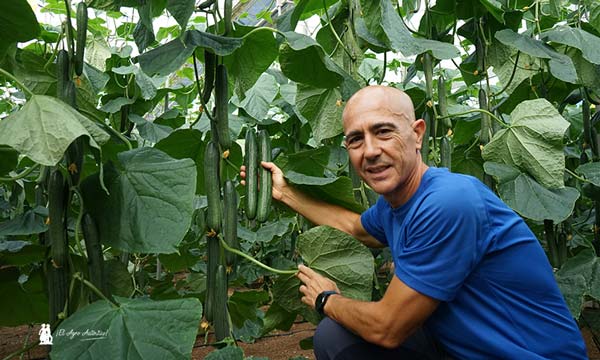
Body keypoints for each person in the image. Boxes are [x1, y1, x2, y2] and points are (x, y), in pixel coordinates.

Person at [241, 85, 587, 359]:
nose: (370, 150)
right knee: (336, 338)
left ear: (417, 133)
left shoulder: (448, 201)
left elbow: (387, 329)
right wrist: (285, 193)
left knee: (341, 327)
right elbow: (354, 228)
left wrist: (326, 300)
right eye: (356, 139)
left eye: (383, 131)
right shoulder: (398, 203)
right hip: (460, 349)